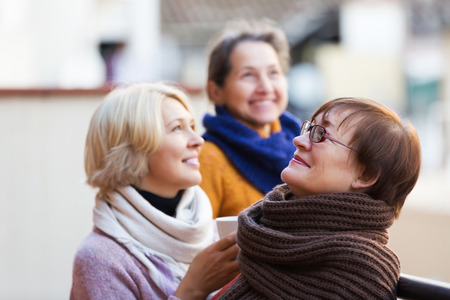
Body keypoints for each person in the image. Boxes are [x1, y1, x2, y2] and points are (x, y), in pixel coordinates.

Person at [212, 97, 421, 299]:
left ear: (365, 175)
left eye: (321, 134)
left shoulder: (361, 274)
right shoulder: (260, 236)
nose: (298, 140)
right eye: (309, 129)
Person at [70, 82, 239, 300]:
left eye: (192, 127)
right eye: (177, 128)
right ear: (132, 148)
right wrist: (192, 290)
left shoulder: (211, 232)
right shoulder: (99, 259)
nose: (198, 141)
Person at [199, 18, 301, 218]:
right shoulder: (207, 158)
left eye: (273, 73)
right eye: (248, 75)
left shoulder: (305, 148)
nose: (265, 88)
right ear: (216, 91)